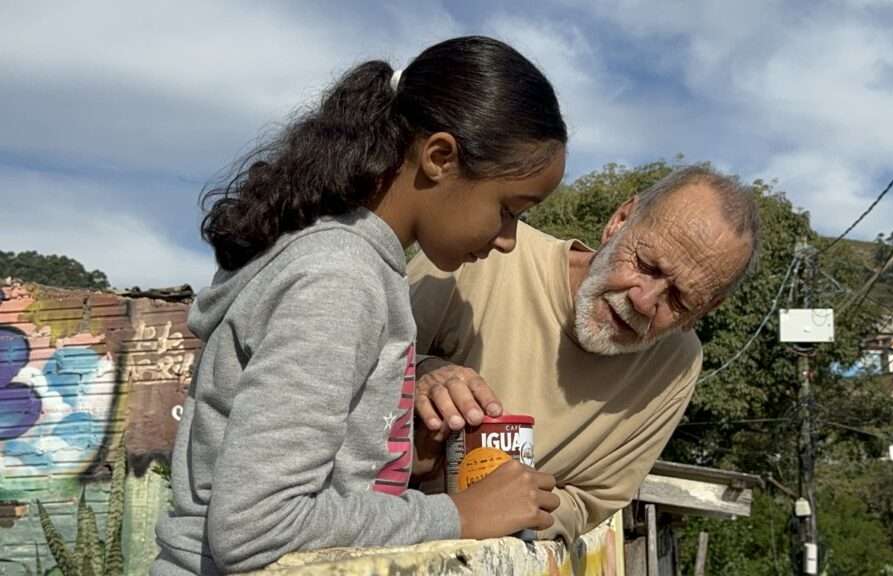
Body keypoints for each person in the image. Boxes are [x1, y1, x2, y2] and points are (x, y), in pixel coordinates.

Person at [153, 36, 568, 575]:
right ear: (439, 157)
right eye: (509, 209)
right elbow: (256, 527)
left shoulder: (359, 266)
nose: (509, 239)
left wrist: (388, 454)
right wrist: (457, 515)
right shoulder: (338, 278)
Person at [409, 165, 759, 541]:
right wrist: (423, 374)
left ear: (705, 310)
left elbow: (590, 500)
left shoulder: (677, 365)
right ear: (619, 221)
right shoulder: (483, 253)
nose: (644, 301)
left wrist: (518, 516)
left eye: (679, 299)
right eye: (646, 265)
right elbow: (355, 368)